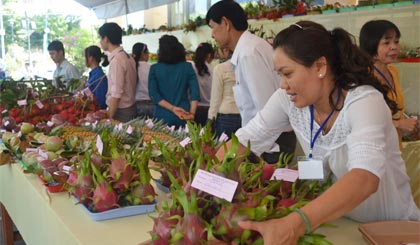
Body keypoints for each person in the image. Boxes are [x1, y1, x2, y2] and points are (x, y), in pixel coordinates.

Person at [215, 21, 419, 244]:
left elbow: (365, 178)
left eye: (287, 73)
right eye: (279, 75)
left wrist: (297, 222)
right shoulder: (289, 100)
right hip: (334, 223)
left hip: (387, 231)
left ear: (320, 67)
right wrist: (207, 178)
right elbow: (245, 140)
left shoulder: (364, 102)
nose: (282, 85)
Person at [206, 0, 296, 163]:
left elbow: (266, 105)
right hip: (264, 140)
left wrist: (257, 152)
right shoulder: (247, 49)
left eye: (213, 27)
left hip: (270, 143)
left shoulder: (249, 52)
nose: (212, 35)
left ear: (225, 23)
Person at [359, 20, 418, 149]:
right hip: (374, 151)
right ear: (371, 46)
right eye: (386, 42)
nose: (394, 47)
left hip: (395, 149)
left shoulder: (393, 72)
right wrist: (399, 124)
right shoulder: (364, 78)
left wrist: (409, 126)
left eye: (396, 42)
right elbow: (363, 121)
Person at [148, 35, 200, 129]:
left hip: (162, 116)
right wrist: (192, 113)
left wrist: (172, 108)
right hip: (184, 114)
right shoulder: (187, 67)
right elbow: (195, 93)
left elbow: (153, 95)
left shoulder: (154, 69)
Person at [98, 22, 137, 122]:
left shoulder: (117, 61)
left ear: (106, 38)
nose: (100, 42)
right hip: (130, 107)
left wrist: (109, 117)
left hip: (121, 112)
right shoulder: (127, 56)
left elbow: (116, 94)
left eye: (100, 38)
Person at [208, 47, 241, 139]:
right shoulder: (248, 67)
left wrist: (210, 119)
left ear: (226, 50)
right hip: (245, 116)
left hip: (226, 117)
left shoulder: (220, 68)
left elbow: (216, 98)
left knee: (224, 151)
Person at [192, 42, 215, 127]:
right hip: (209, 110)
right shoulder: (213, 70)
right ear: (209, 55)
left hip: (193, 110)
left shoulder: (191, 69)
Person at [132, 42, 153, 119]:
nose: (148, 55)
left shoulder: (132, 67)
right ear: (142, 54)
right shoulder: (151, 68)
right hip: (151, 104)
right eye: (147, 52)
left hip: (136, 105)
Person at [84, 45, 109, 109]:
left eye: (85, 57)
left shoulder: (99, 76)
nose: (84, 60)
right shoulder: (93, 74)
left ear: (91, 58)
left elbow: (101, 101)